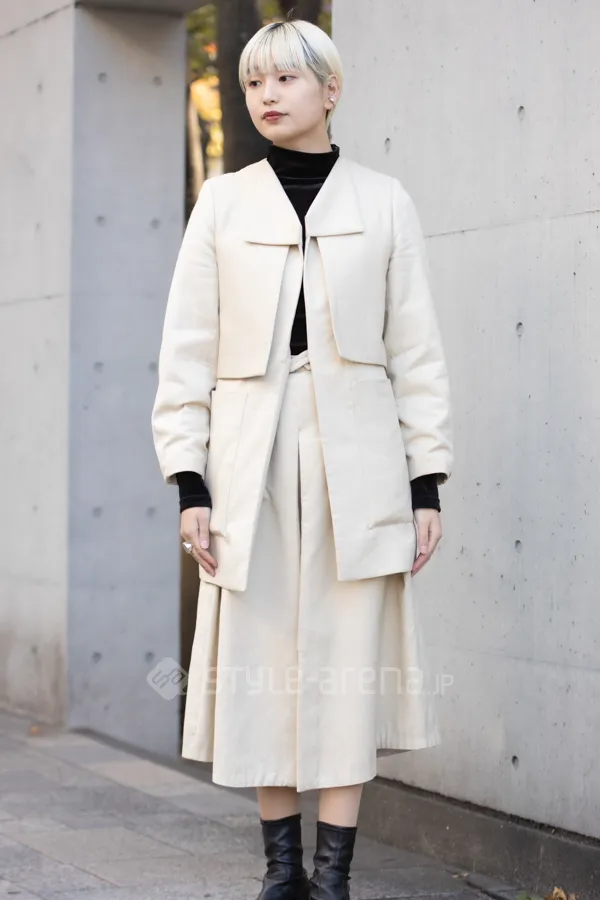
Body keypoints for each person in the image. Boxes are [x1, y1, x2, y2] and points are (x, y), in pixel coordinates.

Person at [151, 18, 453, 900]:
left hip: (359, 465)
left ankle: (333, 876)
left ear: (331, 89)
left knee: (346, 665)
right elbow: (186, 352)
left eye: (285, 78)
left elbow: (418, 353)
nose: (267, 95)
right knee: (261, 665)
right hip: (246, 462)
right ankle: (281, 872)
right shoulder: (222, 203)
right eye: (254, 82)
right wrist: (190, 480)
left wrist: (425, 482)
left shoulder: (385, 202)